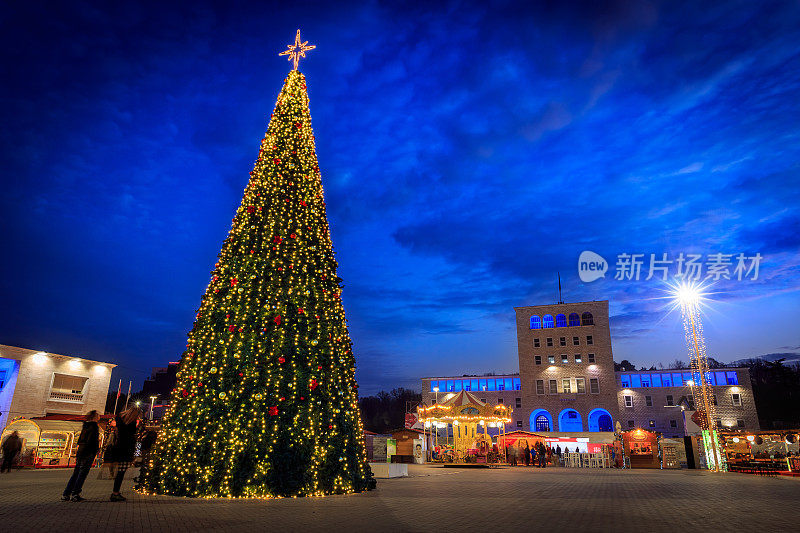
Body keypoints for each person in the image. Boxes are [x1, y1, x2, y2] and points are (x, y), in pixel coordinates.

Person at [61, 410, 100, 501]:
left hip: (81, 451)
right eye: (98, 415)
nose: (99, 417)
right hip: (88, 452)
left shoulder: (85, 426)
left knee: (76, 473)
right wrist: (95, 450)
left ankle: (66, 494)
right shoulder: (94, 427)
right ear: (94, 417)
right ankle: (75, 494)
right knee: (82, 474)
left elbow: (80, 440)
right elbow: (92, 441)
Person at [105, 406, 141, 501]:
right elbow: (132, 436)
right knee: (121, 472)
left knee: (119, 472)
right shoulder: (132, 423)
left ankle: (115, 491)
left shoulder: (120, 419)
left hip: (118, 448)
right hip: (126, 450)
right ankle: (115, 492)